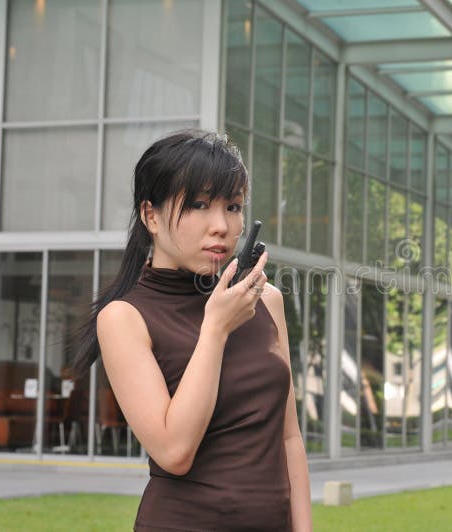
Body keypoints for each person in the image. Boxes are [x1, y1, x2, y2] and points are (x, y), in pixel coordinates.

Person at [68, 129, 312, 531]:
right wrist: (215, 329)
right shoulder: (124, 317)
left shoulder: (265, 300)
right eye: (199, 205)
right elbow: (174, 450)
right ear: (151, 216)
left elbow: (289, 438)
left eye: (232, 206)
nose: (221, 225)